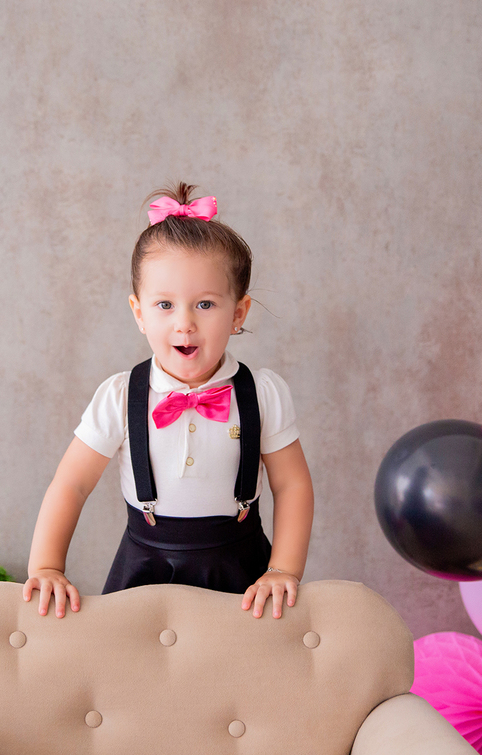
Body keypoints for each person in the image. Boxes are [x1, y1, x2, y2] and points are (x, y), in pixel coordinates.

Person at [23, 183, 315, 620]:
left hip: (241, 568)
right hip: (147, 567)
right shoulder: (120, 396)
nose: (185, 323)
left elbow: (292, 486)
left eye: (205, 304)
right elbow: (71, 484)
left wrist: (282, 570)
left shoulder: (262, 393)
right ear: (139, 313)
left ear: (238, 313)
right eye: (164, 305)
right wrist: (46, 566)